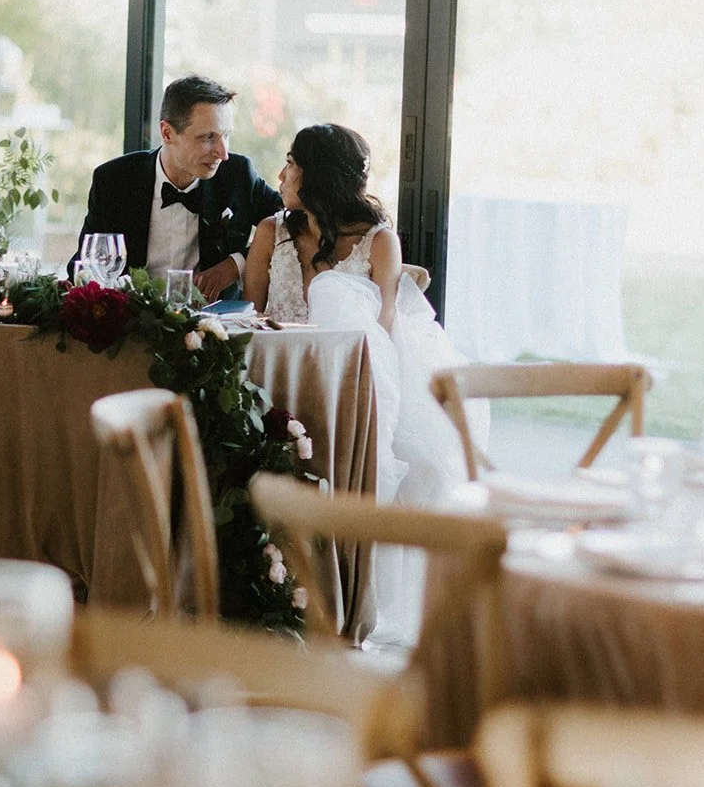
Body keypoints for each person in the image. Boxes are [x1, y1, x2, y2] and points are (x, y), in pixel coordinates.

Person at [244, 122, 487, 645]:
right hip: (276, 382)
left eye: (292, 164)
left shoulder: (379, 241)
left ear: (319, 177)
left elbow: (382, 335)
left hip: (356, 389)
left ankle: (346, 591)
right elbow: (254, 314)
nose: (281, 174)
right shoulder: (269, 233)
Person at [72, 75, 282, 299]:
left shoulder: (238, 175)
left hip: (217, 325)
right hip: (131, 323)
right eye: (208, 137)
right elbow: (88, 263)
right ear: (167, 133)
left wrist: (234, 265)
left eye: (226, 135)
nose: (223, 153)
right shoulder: (115, 180)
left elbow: (294, 222)